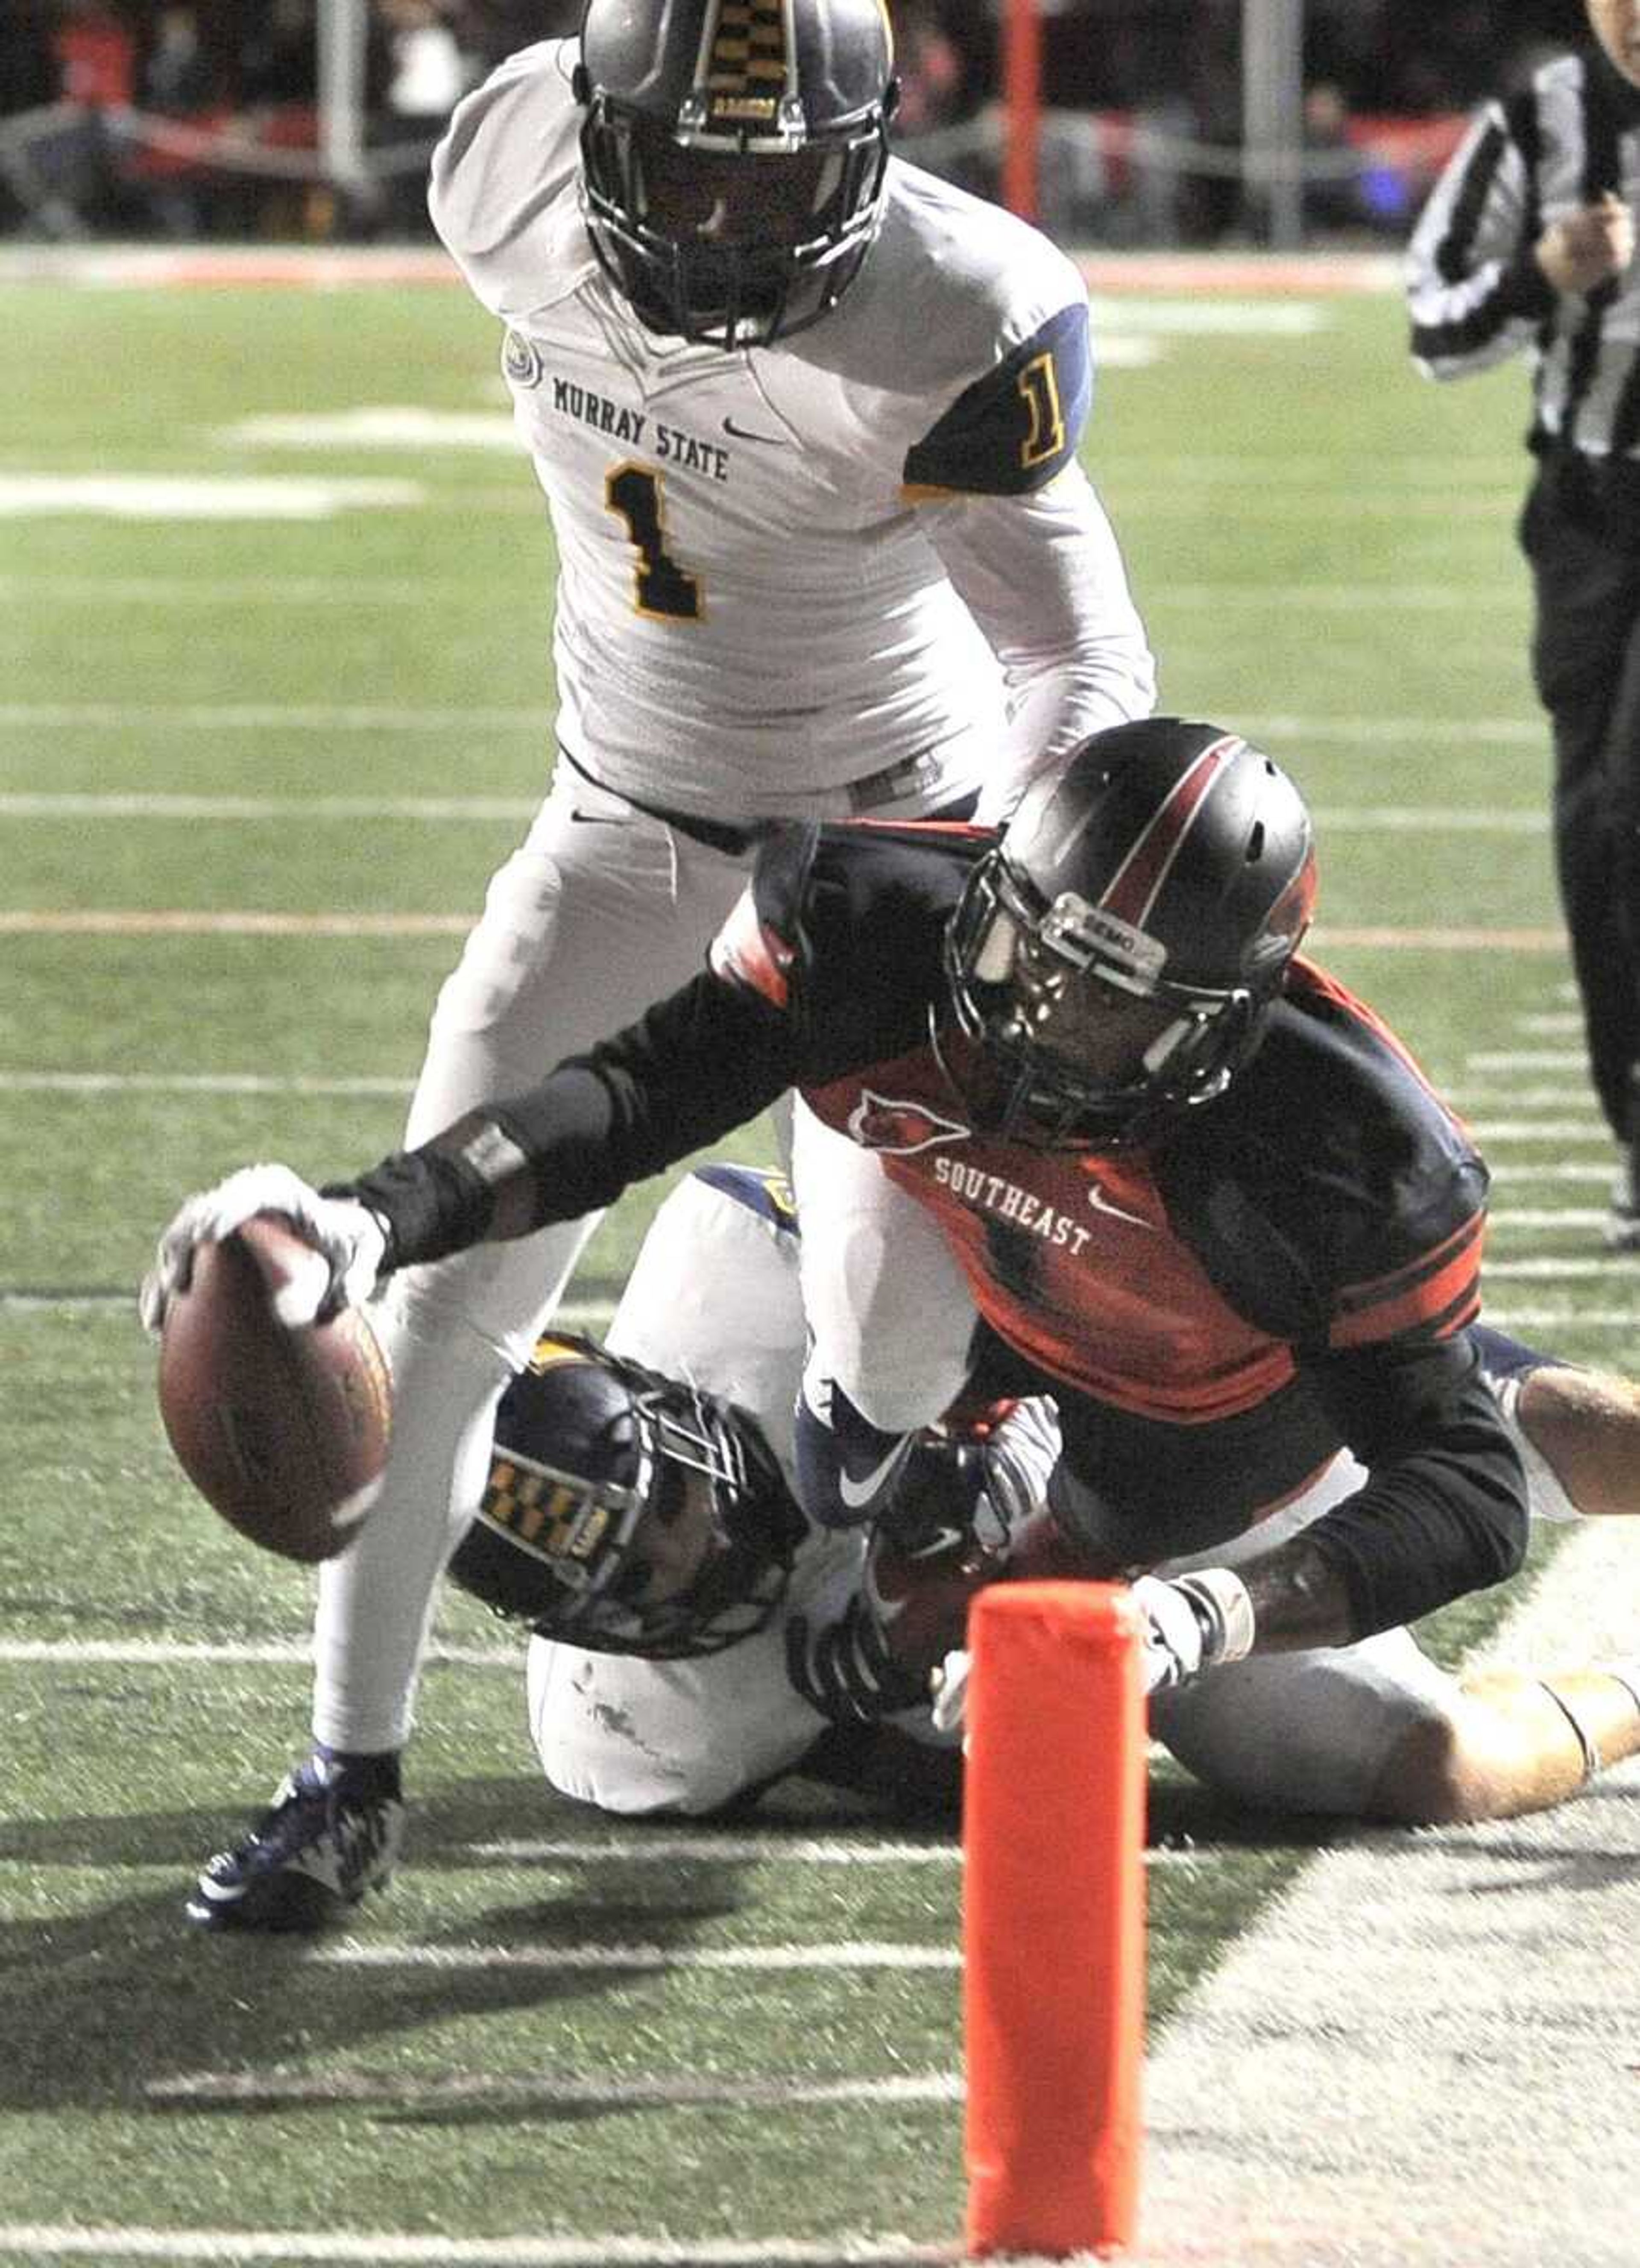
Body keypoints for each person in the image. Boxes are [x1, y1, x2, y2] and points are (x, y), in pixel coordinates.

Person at [159, 0, 1155, 1930]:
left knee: (896, 1346)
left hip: (887, 854)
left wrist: (981, 910)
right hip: (625, 824)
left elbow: (1086, 669)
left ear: (867, 158)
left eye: (768, 177)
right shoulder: (501, 160)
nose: (719, 220)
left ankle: (882, 1564)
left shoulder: (963, 303)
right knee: (440, 1304)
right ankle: (346, 1776)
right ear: (594, 139)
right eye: (682, 168)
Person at [147, 717, 1629, 1914]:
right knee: (681, 1538)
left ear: (1225, 1022)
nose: (1048, 1019)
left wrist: (1199, 1612)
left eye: (1113, 1007)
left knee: (1424, 1741)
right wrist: (375, 1215)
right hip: (960, 1313)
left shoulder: (1350, 1156)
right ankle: (927, 1497)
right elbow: (644, 1090)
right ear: (989, 890)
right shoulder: (875, 923)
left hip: (1201, 1437)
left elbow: (1468, 1503)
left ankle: (1604, 1658)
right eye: (1033, 958)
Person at [193, 1159, 1640, 1928]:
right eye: (646, 1588)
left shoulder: (744, 1274)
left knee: (1506, 1424)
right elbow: (900, 1766)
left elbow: (1028, 1241)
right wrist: (904, 1670)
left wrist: (1006, 1421)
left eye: (677, 1511)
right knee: (1425, 1766)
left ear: (667, 1397)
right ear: (584, 1635)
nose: (699, 1565)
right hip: (1083, 1615)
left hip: (1128, 1399)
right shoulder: (636, 1738)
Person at [1406, 0, 1640, 1250]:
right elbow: (1432, 323)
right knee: (1598, 828)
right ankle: (1634, 1125)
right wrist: (1542, 276)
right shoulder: (1540, 122)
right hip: (1593, 515)